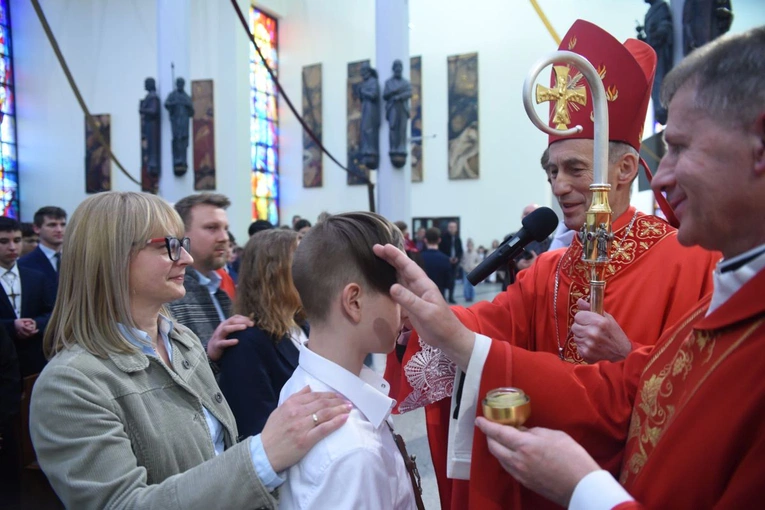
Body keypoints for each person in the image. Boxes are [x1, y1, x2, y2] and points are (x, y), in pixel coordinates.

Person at [377, 25, 765, 509]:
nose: (559, 187)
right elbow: (487, 325)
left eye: (575, 169)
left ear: (623, 171)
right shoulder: (552, 269)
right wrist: (423, 317)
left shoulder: (693, 258)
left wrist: (625, 350)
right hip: (544, 480)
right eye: (552, 172)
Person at [29, 191, 351, 509]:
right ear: (112, 256)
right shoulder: (70, 384)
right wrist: (262, 454)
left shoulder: (181, 339)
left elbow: (215, 447)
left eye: (182, 244)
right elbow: (122, 504)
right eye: (167, 246)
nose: (186, 258)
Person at [279, 212, 418, 509]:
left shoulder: (304, 386)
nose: (407, 309)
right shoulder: (354, 452)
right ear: (354, 302)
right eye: (398, 292)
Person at [219, 229, 306, 437]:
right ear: (274, 274)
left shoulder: (303, 325)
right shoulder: (245, 343)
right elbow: (255, 429)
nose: (312, 271)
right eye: (300, 263)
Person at [168, 193, 252, 364]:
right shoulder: (170, 297)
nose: (224, 238)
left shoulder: (217, 288)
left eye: (225, 228)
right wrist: (209, 353)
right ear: (181, 234)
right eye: (212, 228)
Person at [0, 217, 56, 376]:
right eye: (4, 241)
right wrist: (13, 326)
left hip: (32, 360)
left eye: (17, 240)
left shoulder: (36, 277)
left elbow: (52, 312)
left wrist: (35, 323)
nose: (12, 247)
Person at [18, 206, 66, 291]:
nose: (59, 230)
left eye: (63, 225)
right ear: (36, 228)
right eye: (52, 225)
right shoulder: (24, 263)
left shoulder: (76, 259)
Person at [383, 59, 413, 165]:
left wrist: (399, 97)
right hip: (392, 108)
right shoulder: (388, 83)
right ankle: (394, 149)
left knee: (402, 129)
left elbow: (409, 93)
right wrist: (393, 92)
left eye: (400, 67)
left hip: (403, 108)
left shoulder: (406, 83)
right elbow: (385, 95)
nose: (398, 69)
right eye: (396, 67)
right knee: (393, 128)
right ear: (393, 69)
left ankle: (401, 149)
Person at [164, 77, 195, 173]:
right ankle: (177, 160)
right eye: (178, 83)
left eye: (182, 83)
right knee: (177, 140)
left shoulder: (187, 97)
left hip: (184, 123)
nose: (180, 85)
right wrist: (174, 103)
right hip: (176, 122)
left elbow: (192, 112)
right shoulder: (172, 95)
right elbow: (166, 104)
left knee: (184, 141)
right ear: (176, 84)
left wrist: (187, 105)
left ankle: (183, 161)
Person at [420, 227, 452, 298]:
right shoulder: (445, 259)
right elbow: (448, 282)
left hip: (423, 295)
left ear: (425, 240)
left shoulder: (419, 257)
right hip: (439, 296)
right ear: (439, 240)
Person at [438, 221, 463, 304]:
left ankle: (451, 297)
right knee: (444, 280)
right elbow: (440, 250)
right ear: (448, 228)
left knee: (452, 281)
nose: (452, 229)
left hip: (455, 264)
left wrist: (457, 258)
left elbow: (460, 251)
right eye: (450, 227)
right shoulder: (443, 237)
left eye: (454, 227)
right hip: (445, 262)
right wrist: (447, 258)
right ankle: (443, 297)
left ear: (456, 228)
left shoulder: (457, 238)